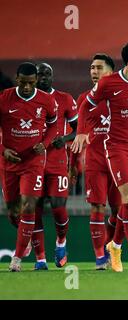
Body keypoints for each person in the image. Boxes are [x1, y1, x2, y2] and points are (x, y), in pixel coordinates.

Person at [71, 42, 128, 272]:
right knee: (124, 200)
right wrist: (80, 132)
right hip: (114, 149)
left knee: (127, 204)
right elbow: (84, 108)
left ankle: (115, 245)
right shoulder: (108, 86)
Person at [0, 62, 58, 272]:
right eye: (23, 83)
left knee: (29, 207)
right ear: (17, 79)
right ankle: (25, 236)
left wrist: (46, 143)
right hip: (9, 162)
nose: (26, 87)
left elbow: (53, 123)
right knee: (14, 212)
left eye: (31, 83)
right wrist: (3, 150)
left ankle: (16, 259)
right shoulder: (4, 97)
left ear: (35, 81)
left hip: (33, 162)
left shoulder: (46, 100)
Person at [72, 53, 122, 270]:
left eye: (99, 68)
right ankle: (100, 256)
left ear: (111, 72)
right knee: (97, 207)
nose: (94, 72)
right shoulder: (84, 99)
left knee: (119, 211)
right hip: (95, 160)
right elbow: (78, 134)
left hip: (119, 159)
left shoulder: (121, 94)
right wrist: (73, 164)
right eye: (92, 68)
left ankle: (110, 245)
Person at [30, 63, 78, 270]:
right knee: (34, 209)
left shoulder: (65, 99)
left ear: (52, 76)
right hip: (32, 162)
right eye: (40, 75)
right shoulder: (26, 100)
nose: (43, 78)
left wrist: (65, 138)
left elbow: (80, 128)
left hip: (57, 161)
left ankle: (61, 242)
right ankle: (40, 259)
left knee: (58, 206)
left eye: (47, 74)